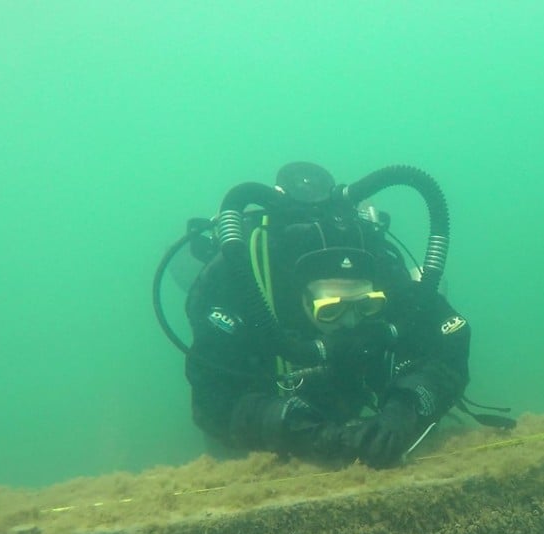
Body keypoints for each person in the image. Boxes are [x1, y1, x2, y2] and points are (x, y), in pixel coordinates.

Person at [172, 162, 474, 468]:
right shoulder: (239, 288)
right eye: (330, 310)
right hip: (270, 410)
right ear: (298, 300)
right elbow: (213, 403)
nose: (351, 322)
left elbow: (450, 340)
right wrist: (299, 432)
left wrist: (407, 406)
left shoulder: (385, 271)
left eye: (366, 305)